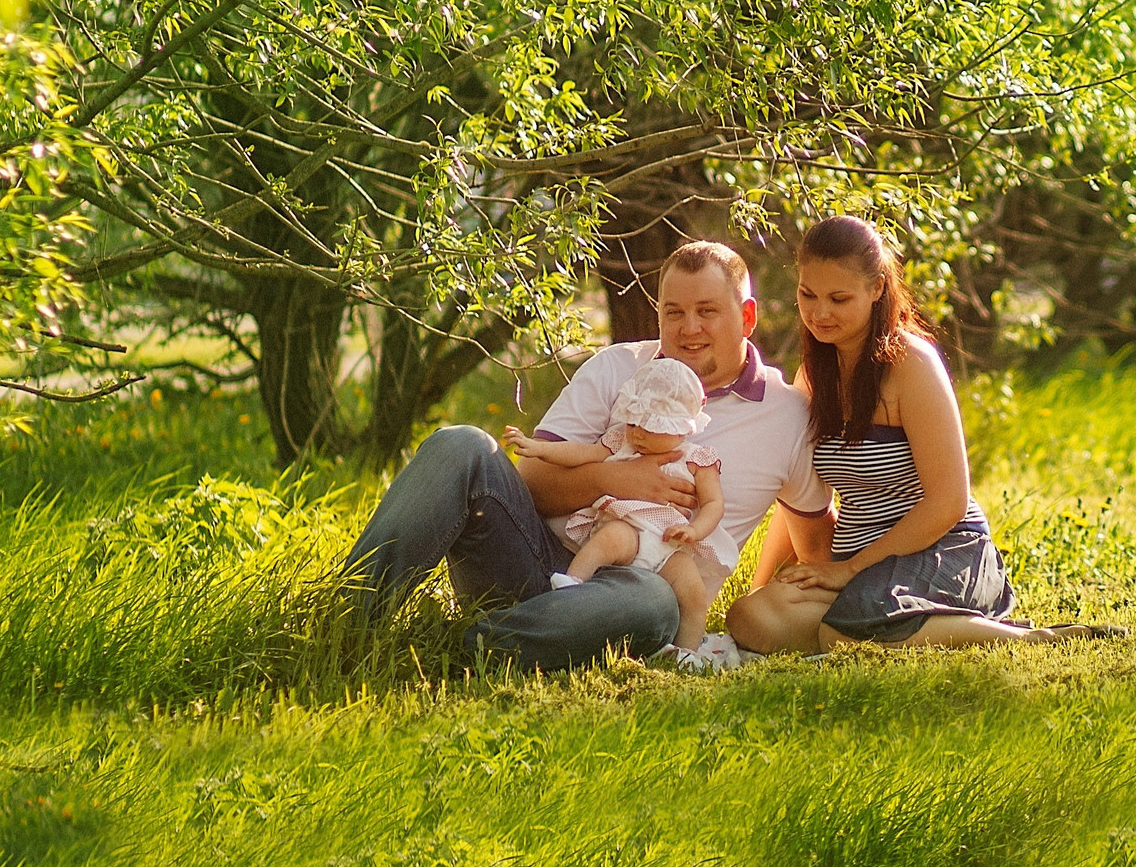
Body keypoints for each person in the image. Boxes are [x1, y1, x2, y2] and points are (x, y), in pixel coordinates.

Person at [342, 240, 833, 672]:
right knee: (462, 444)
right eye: (673, 312)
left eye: (707, 311)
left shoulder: (787, 416)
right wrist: (616, 479)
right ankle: (349, 621)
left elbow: (813, 540)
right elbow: (528, 483)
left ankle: (468, 648)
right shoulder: (618, 367)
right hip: (537, 562)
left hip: (637, 592)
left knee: (657, 601)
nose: (689, 329)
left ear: (746, 317)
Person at [727, 216, 1076, 652]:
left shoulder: (911, 366)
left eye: (838, 298)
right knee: (749, 618)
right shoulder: (813, 377)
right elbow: (802, 498)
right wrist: (763, 588)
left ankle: (1023, 638)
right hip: (857, 568)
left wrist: (850, 570)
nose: (819, 313)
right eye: (807, 294)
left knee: (844, 632)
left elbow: (947, 501)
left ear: (876, 289)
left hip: (943, 551)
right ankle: (907, 629)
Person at [506, 354, 726, 657]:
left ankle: (687, 654)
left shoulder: (697, 458)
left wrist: (694, 530)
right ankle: (571, 587)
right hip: (628, 528)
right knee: (609, 540)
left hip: (669, 545)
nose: (637, 432)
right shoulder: (621, 442)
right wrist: (539, 449)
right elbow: (581, 454)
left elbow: (714, 503)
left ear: (682, 428)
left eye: (649, 426)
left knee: (694, 596)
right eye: (633, 421)